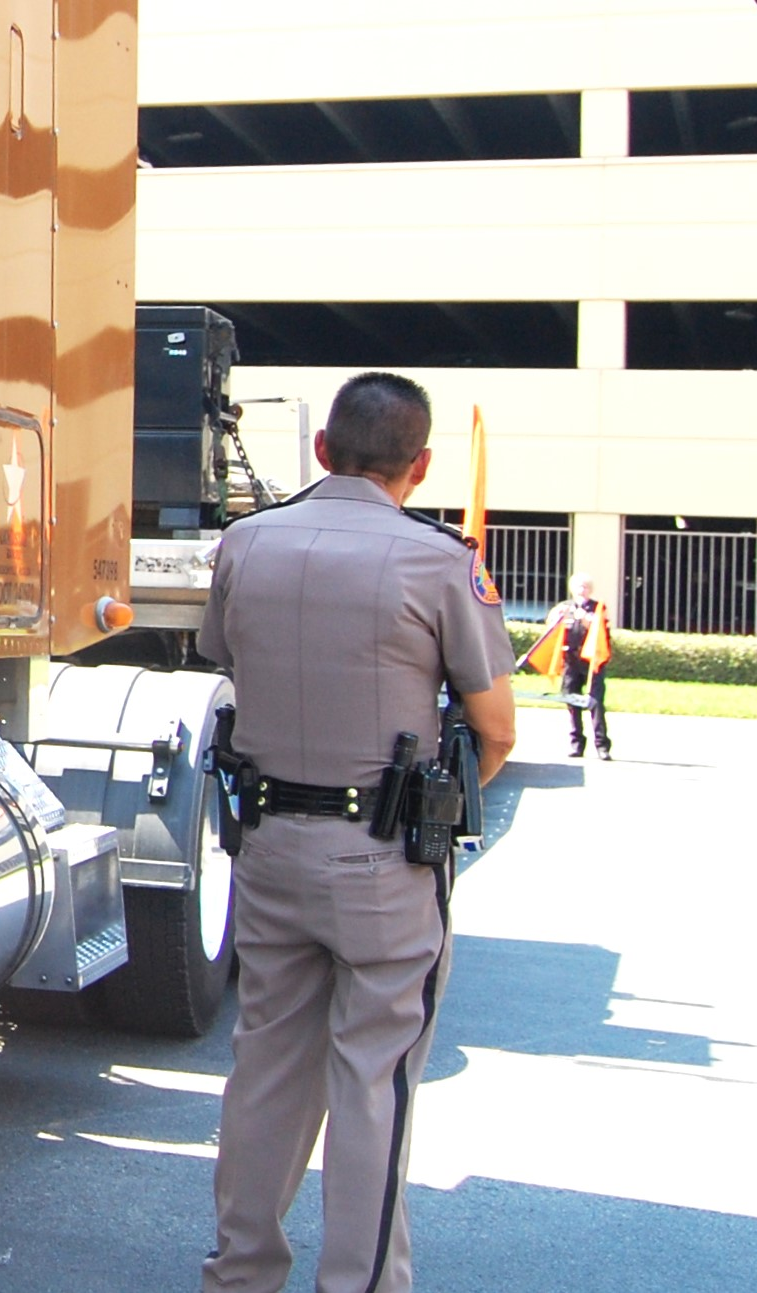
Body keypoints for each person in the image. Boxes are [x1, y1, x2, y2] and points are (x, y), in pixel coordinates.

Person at [196, 371, 517, 1293]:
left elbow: (228, 659)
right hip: (382, 857)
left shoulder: (245, 543)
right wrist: (433, 809)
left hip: (267, 846)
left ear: (322, 451)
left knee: (264, 1068)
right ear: (417, 465)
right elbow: (495, 731)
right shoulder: (436, 559)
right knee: (372, 1080)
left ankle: (240, 1273)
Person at [547, 573, 612, 760]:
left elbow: (600, 630)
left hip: (592, 662)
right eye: (578, 586)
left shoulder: (598, 608)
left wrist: (585, 619)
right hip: (570, 660)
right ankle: (576, 744)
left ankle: (602, 745)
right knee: (572, 702)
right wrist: (554, 618)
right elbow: (551, 631)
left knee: (595, 702)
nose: (581, 590)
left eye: (585, 586)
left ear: (590, 589)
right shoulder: (564, 608)